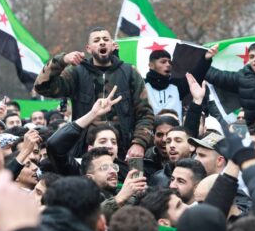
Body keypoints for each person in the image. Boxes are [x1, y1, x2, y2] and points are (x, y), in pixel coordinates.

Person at [34, 27, 154, 160]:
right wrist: (62, 61)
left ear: (112, 45)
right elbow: (42, 87)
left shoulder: (129, 72)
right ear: (88, 48)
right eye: (96, 40)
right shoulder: (76, 73)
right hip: (84, 152)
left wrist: (139, 143)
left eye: (106, 39)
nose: (102, 42)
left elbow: (145, 113)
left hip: (124, 152)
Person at [144, 50, 211, 121]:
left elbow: (196, 76)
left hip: (175, 131)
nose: (168, 65)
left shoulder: (176, 85)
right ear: (151, 65)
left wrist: (206, 59)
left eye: (169, 62)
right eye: (163, 62)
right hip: (148, 131)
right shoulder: (142, 86)